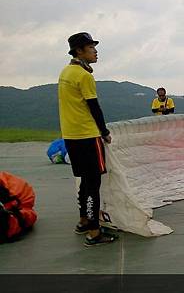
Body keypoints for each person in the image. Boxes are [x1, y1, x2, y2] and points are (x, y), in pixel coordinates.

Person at [58, 32, 117, 246]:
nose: (95, 51)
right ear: (80, 51)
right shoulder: (84, 76)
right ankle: (94, 232)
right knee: (93, 183)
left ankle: (83, 220)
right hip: (87, 135)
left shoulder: (66, 72)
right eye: (91, 47)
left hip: (71, 136)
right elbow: (94, 107)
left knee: (84, 180)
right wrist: (104, 132)